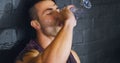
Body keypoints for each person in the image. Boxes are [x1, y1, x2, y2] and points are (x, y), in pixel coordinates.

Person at [15, 0, 80, 63]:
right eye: (50, 13)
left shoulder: (72, 55)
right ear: (36, 24)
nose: (58, 14)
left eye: (57, 9)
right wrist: (68, 23)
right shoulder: (28, 56)